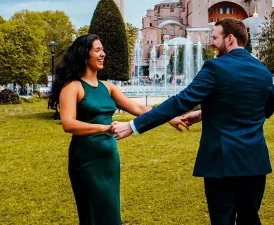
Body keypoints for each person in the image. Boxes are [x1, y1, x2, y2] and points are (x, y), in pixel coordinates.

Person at [112, 18, 274, 225]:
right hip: (255, 163)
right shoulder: (263, 72)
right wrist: (203, 114)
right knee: (250, 219)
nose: (210, 43)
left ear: (231, 39)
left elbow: (180, 101)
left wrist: (133, 126)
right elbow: (265, 110)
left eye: (215, 38)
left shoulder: (215, 67)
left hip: (221, 163)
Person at [49, 34, 187, 225]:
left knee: (110, 209)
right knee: (93, 213)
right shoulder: (72, 87)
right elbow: (68, 123)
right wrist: (104, 128)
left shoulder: (108, 87)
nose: (103, 54)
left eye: (102, 50)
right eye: (97, 50)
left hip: (109, 158)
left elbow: (138, 109)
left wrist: (169, 117)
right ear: (84, 55)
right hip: (86, 160)